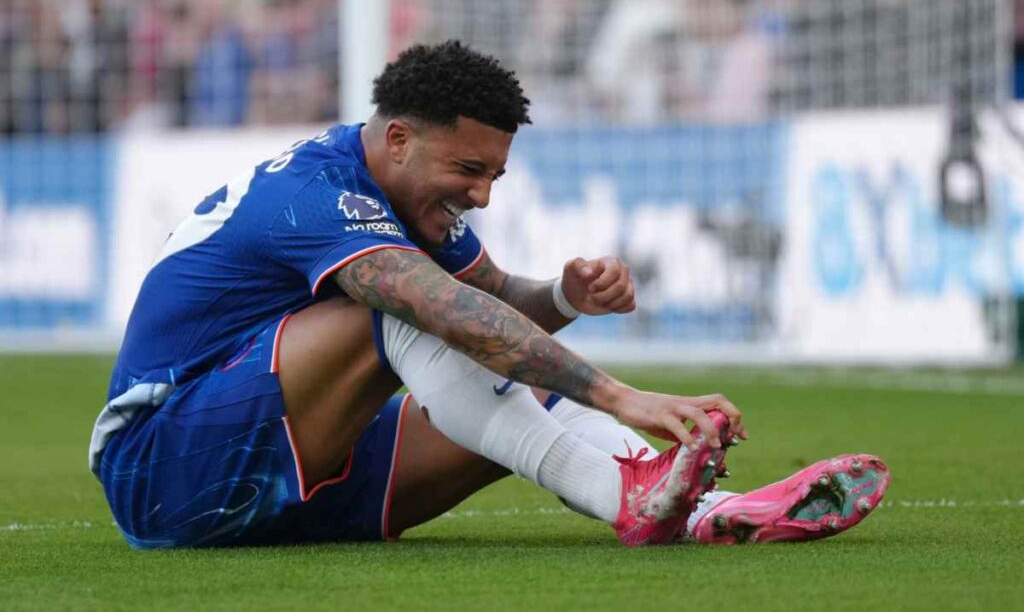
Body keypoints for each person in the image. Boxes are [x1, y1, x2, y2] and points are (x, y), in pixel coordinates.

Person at [89, 40, 887, 549]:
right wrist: (618, 394)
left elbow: (497, 302)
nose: (482, 195)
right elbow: (438, 308)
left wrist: (566, 297)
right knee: (410, 307)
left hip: (292, 474)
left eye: (495, 175)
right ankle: (628, 495)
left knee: (512, 382)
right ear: (398, 139)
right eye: (468, 172)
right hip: (163, 465)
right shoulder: (314, 195)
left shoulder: (404, 202)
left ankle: (710, 512)